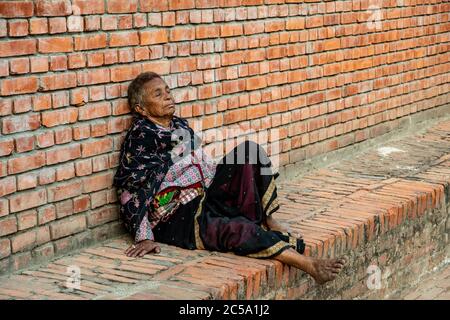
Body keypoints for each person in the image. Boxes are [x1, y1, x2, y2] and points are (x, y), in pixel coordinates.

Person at [113, 72, 346, 284]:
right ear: (141, 109)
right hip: (178, 217)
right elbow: (129, 192)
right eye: (158, 94)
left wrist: (226, 186)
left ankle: (267, 217)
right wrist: (143, 236)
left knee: (249, 151)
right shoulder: (140, 139)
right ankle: (309, 265)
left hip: (204, 194)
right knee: (237, 230)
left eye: (167, 91)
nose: (168, 97)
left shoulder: (179, 126)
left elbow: (203, 165)